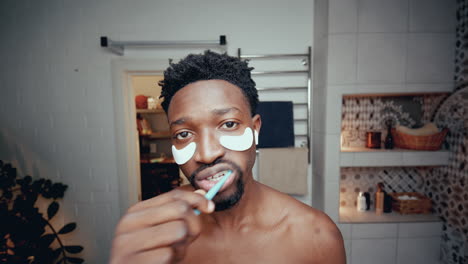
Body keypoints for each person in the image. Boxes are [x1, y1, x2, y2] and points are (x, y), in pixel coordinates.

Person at [109, 51, 346, 263]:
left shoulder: (317, 237)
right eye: (183, 133)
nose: (207, 154)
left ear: (255, 129)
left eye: (229, 124)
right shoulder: (155, 238)